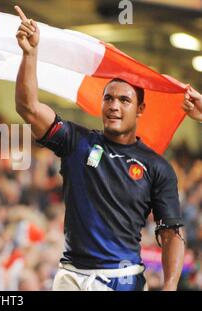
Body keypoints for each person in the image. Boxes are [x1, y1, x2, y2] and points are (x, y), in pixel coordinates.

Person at [14, 5, 187, 291]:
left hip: (123, 281)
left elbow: (171, 233)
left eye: (124, 100)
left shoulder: (157, 167)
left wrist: (169, 287)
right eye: (108, 98)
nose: (114, 106)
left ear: (140, 108)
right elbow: (28, 108)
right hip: (69, 277)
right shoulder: (76, 142)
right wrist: (30, 54)